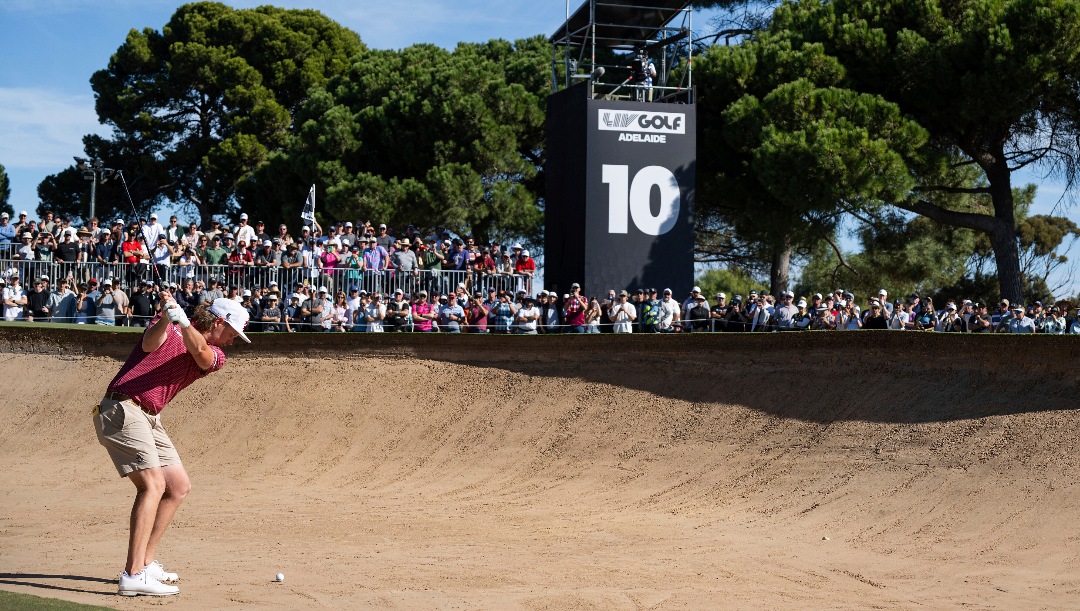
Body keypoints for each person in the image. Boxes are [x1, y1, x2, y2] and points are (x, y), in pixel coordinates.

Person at [93, 294, 248, 597]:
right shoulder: (170, 326)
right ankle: (133, 574)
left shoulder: (216, 353)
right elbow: (150, 345)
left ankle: (146, 563)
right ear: (219, 322)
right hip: (123, 408)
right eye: (231, 333)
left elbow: (201, 353)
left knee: (177, 486)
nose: (231, 341)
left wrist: (183, 320)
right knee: (152, 485)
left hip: (151, 418)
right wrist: (167, 315)